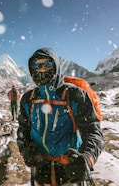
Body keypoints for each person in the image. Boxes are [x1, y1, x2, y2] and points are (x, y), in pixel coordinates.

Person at [17, 48, 103, 186]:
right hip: (41, 169)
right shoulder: (28, 99)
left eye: (47, 64)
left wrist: (86, 158)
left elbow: (92, 131)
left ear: (56, 66)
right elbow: (23, 131)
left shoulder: (75, 95)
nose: (43, 70)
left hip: (70, 168)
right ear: (32, 70)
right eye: (37, 66)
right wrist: (26, 150)